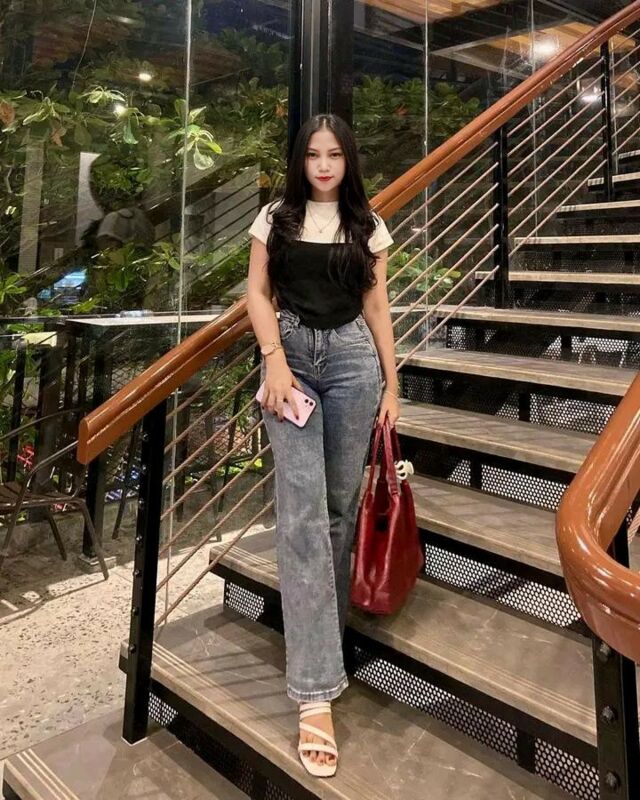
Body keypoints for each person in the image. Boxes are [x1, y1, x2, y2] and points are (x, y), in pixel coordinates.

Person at [246, 113, 400, 778]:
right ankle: (315, 694)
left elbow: (377, 308)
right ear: (300, 161)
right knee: (304, 517)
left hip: (353, 365)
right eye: (314, 155)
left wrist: (393, 383)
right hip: (291, 364)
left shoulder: (367, 225)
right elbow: (257, 293)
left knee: (338, 512)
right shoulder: (275, 218)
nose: (325, 165)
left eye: (335, 154)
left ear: (349, 159)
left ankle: (324, 645)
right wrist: (274, 360)